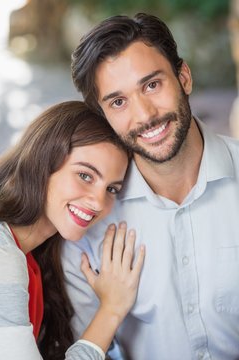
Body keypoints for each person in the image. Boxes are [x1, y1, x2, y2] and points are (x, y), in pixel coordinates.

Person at [62, 12, 239, 360]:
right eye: (118, 102)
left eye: (152, 85)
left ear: (183, 77)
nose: (144, 115)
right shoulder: (86, 225)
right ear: (103, 114)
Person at [0, 100, 145, 360]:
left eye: (112, 189)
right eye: (85, 176)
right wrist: (111, 309)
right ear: (43, 160)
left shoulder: (33, 257)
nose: (99, 202)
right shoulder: (4, 257)